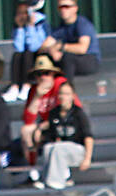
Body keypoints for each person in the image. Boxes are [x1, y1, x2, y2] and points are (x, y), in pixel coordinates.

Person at [19, 55, 79, 185]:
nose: (42, 77)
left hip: (65, 124)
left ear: (52, 74)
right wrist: (37, 97)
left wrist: (45, 125)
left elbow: (72, 111)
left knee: (56, 131)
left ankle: (65, 174)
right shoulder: (34, 90)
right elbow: (28, 120)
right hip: (45, 126)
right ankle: (33, 173)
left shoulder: (61, 85)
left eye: (46, 73)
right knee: (26, 130)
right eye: (39, 74)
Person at [33, 80, 93, 190]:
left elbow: (88, 136)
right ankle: (44, 179)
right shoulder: (54, 113)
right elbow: (50, 136)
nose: (63, 97)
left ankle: (56, 183)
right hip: (60, 150)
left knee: (58, 148)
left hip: (77, 151)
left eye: (66, 94)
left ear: (72, 96)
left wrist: (87, 158)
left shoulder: (79, 114)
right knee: (48, 148)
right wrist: (39, 132)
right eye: (61, 94)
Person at [40, 1, 101, 82]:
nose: (63, 10)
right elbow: (44, 46)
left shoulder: (82, 24)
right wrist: (51, 50)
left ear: (75, 8)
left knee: (67, 58)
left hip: (90, 60)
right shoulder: (62, 28)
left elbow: (82, 49)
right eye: (60, 7)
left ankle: (66, 87)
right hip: (69, 59)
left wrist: (60, 47)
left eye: (66, 7)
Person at [3, 0, 50, 102]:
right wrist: (20, 28)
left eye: (24, 13)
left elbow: (34, 47)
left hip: (38, 55)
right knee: (17, 55)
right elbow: (18, 47)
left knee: (28, 54)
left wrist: (30, 27)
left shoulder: (40, 23)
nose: (22, 16)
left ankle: (27, 85)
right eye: (19, 13)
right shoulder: (19, 26)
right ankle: (15, 87)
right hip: (24, 56)